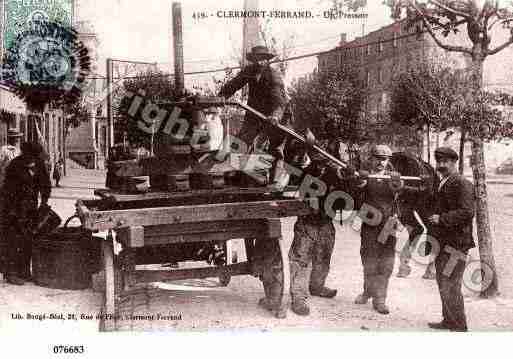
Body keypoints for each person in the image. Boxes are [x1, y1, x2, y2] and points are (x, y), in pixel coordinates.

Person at [286, 129, 350, 316]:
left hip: (326, 223)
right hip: (307, 224)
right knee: (300, 260)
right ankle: (298, 297)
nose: (323, 162)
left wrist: (349, 178)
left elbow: (347, 199)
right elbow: (295, 172)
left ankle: (317, 286)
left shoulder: (336, 174)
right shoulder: (306, 171)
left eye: (327, 158)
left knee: (323, 258)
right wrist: (307, 150)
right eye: (319, 157)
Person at [218, 45, 288, 185]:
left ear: (267, 60)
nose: (259, 62)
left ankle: (276, 180)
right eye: (256, 59)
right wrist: (220, 97)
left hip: (277, 115)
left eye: (262, 59)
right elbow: (233, 85)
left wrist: (275, 116)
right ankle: (237, 175)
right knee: (242, 140)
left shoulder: (274, 76)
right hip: (255, 113)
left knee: (275, 147)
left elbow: (279, 102)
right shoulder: (249, 71)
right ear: (253, 60)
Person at [427, 147, 475, 332]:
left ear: (454, 162)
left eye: (446, 162)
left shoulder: (461, 183)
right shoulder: (444, 182)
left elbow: (467, 212)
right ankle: (448, 319)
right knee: (443, 281)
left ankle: (459, 326)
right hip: (444, 241)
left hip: (456, 243)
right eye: (439, 161)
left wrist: (442, 218)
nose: (441, 165)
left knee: (451, 284)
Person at [352, 144, 404, 314]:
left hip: (388, 225)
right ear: (371, 159)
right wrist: (359, 183)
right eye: (378, 159)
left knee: (386, 262)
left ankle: (380, 299)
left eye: (385, 159)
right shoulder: (364, 176)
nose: (381, 163)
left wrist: (398, 185)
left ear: (388, 161)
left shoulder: (394, 178)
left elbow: (400, 195)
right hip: (370, 224)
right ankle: (367, 291)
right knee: (369, 259)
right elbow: (356, 196)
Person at [2, 142, 51, 285]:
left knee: (28, 239)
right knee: (13, 241)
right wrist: (11, 211)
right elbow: (7, 190)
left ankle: (24, 271)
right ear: (24, 154)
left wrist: (44, 201)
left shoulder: (39, 165)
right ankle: (10, 273)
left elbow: (45, 184)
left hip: (30, 208)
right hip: (13, 209)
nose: (33, 159)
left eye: (35, 156)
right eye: (31, 156)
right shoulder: (15, 165)